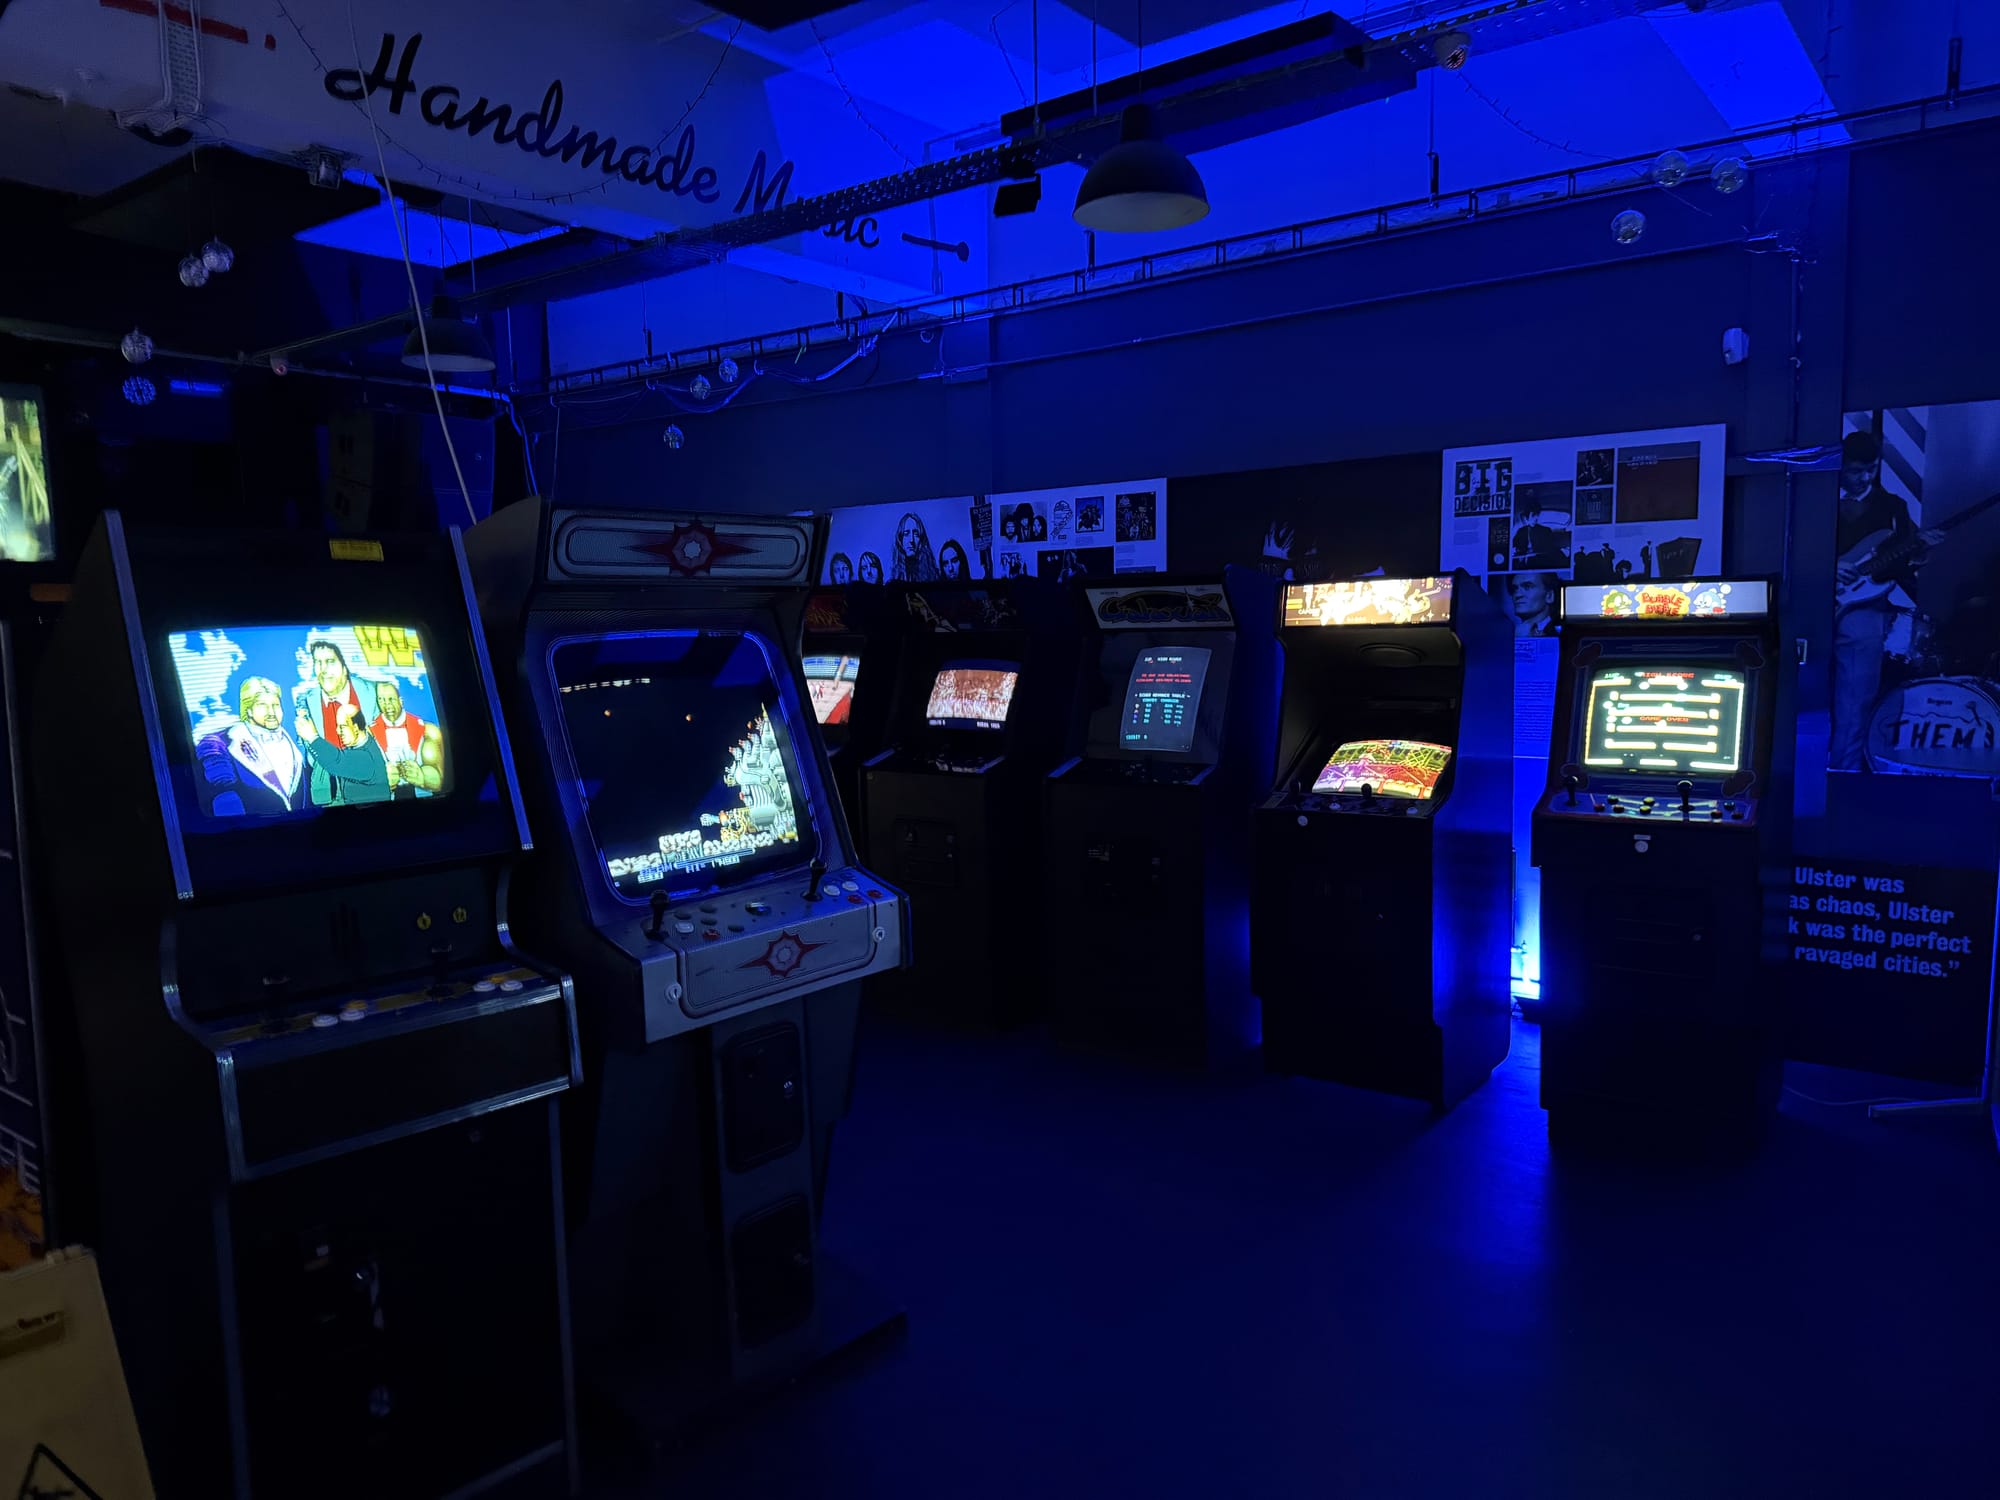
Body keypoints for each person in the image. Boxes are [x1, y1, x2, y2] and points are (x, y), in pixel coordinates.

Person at [1832, 429, 1944, 771]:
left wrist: (1919, 553)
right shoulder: (1814, 497)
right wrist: (1828, 565)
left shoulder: (1893, 507)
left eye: (1871, 469)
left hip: (1865, 609)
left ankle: (1843, 774)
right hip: (1809, 602)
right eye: (1855, 471)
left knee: (1855, 701)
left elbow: (1902, 562)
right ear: (1840, 465)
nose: (1865, 478)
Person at [195, 676, 304, 816]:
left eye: (275, 705)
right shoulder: (218, 744)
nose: (271, 712)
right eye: (262, 705)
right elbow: (225, 804)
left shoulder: (297, 744)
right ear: (248, 710)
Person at [294, 638, 380, 805]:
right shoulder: (305, 701)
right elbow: (309, 756)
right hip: (329, 796)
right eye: (318, 662)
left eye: (330, 661)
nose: (323, 669)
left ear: (345, 667)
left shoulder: (373, 694)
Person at [297, 700, 393, 806]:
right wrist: (308, 739)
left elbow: (336, 761)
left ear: (355, 728)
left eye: (342, 726)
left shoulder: (366, 758)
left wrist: (312, 737)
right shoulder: (358, 745)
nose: (338, 731)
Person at [369, 681, 444, 799]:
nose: (387, 705)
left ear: (401, 701)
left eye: (391, 699)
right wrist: (380, 781)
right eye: (381, 699)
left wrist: (422, 777)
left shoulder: (428, 731)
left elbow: (438, 779)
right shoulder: (368, 734)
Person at [1511, 502, 1566, 569]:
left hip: (1541, 562)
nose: (1536, 518)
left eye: (1538, 514)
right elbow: (1514, 547)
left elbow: (1551, 549)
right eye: (1533, 515)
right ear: (1526, 516)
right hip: (1524, 563)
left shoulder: (1546, 530)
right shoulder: (1520, 531)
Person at [891, 512, 940, 582]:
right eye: (906, 534)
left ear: (921, 539)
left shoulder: (934, 576)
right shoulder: (894, 577)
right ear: (900, 539)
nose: (911, 540)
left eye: (916, 534)